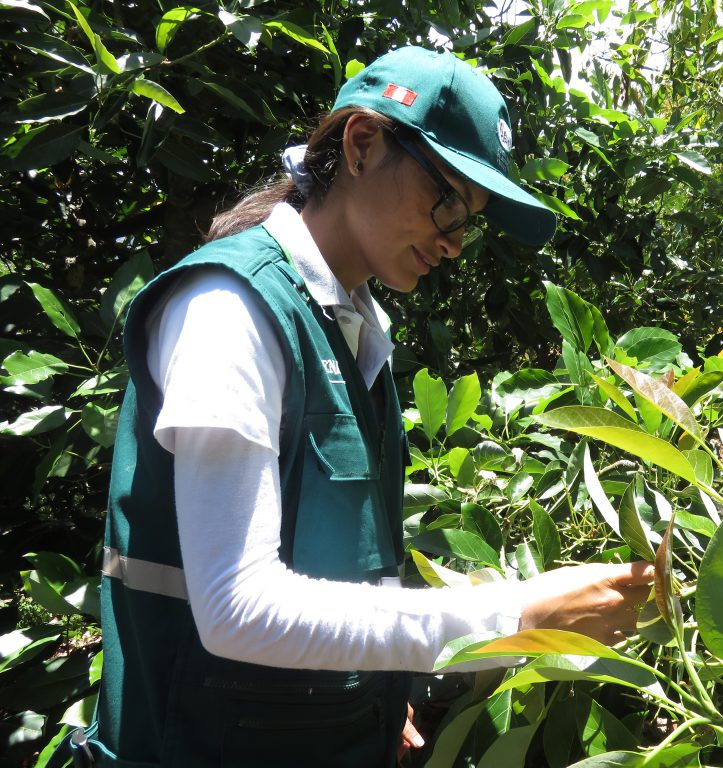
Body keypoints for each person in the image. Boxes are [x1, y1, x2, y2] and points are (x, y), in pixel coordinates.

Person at [80, 46, 654, 767]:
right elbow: (237, 610)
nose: (451, 242)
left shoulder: (355, 335)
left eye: (467, 220)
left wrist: (381, 692)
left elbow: (339, 581)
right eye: (446, 201)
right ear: (361, 144)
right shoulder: (231, 309)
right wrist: (514, 615)